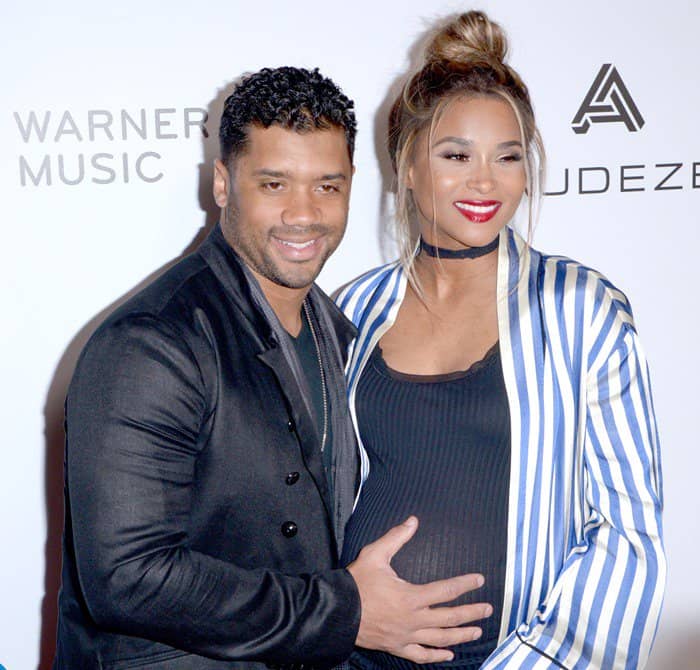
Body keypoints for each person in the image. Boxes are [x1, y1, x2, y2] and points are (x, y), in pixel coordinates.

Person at [53, 66, 490, 670]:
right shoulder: (153, 341)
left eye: (327, 187)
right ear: (225, 185)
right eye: (274, 185)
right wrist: (348, 612)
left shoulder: (337, 329)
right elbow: (130, 577)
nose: (303, 214)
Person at [337, 12, 665, 670]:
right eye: (456, 155)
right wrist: (341, 611)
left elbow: (629, 536)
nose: (485, 181)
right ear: (404, 165)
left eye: (508, 157)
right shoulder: (353, 308)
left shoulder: (580, 308)